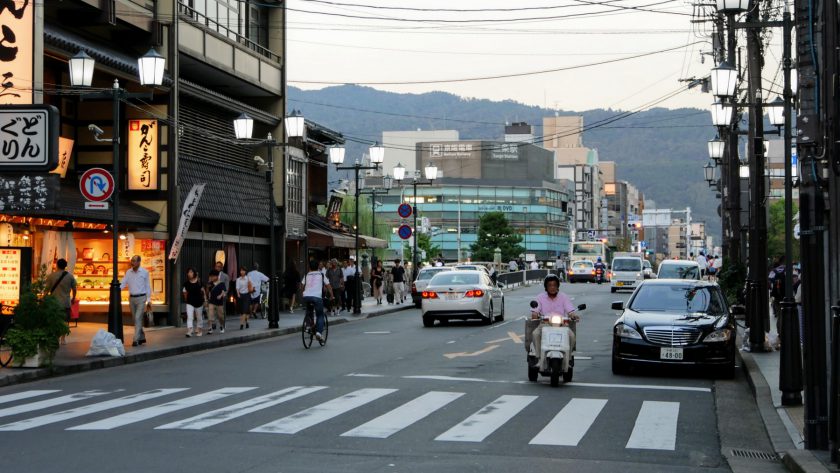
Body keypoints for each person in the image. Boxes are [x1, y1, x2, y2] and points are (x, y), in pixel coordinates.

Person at [529, 274, 579, 368]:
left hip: (561, 324)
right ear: (546, 287)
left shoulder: (563, 297)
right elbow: (535, 311)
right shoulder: (540, 297)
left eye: (554, 285)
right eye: (550, 285)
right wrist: (535, 314)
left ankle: (567, 359)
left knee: (572, 336)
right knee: (535, 334)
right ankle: (539, 358)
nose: (552, 287)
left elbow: (570, 311)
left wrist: (573, 315)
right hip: (545, 324)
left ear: (558, 286)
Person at [120, 255, 151, 347]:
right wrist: (116, 291)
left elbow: (147, 286)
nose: (132, 262)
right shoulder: (128, 272)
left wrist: (149, 300)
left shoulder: (145, 272)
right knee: (135, 319)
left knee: (137, 318)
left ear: (139, 262)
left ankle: (135, 339)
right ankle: (142, 337)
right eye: (132, 261)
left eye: (134, 261)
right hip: (131, 298)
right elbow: (123, 283)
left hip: (142, 298)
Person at [301, 259, 334, 342]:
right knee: (320, 315)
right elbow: (329, 286)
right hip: (316, 297)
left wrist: (303, 292)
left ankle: (308, 326)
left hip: (307, 296)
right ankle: (319, 332)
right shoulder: (321, 275)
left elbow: (301, 285)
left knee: (309, 311)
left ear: (309, 267)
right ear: (318, 266)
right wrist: (332, 296)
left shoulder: (307, 275)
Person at [46, 258, 76, 345]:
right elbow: (74, 288)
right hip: (66, 302)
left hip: (54, 303)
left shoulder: (51, 276)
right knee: (65, 321)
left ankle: (55, 338)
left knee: (54, 320)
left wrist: (43, 298)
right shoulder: (70, 276)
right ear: (65, 266)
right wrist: (73, 298)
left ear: (57, 265)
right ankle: (63, 339)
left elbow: (46, 290)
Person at [182, 267, 207, 337]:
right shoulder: (186, 283)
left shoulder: (199, 282)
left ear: (194, 273)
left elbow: (203, 291)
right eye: (188, 272)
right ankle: (190, 330)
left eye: (191, 272)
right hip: (190, 302)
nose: (189, 274)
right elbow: (184, 292)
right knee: (190, 317)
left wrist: (205, 300)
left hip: (199, 302)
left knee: (199, 317)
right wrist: (186, 299)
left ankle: (199, 329)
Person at [207, 269, 227, 334]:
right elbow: (209, 292)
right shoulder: (210, 284)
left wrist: (220, 296)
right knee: (210, 315)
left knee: (220, 316)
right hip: (211, 302)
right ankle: (210, 328)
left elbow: (224, 292)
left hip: (219, 303)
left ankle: (221, 325)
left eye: (213, 276)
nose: (211, 278)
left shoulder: (221, 283)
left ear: (217, 276)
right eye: (211, 276)